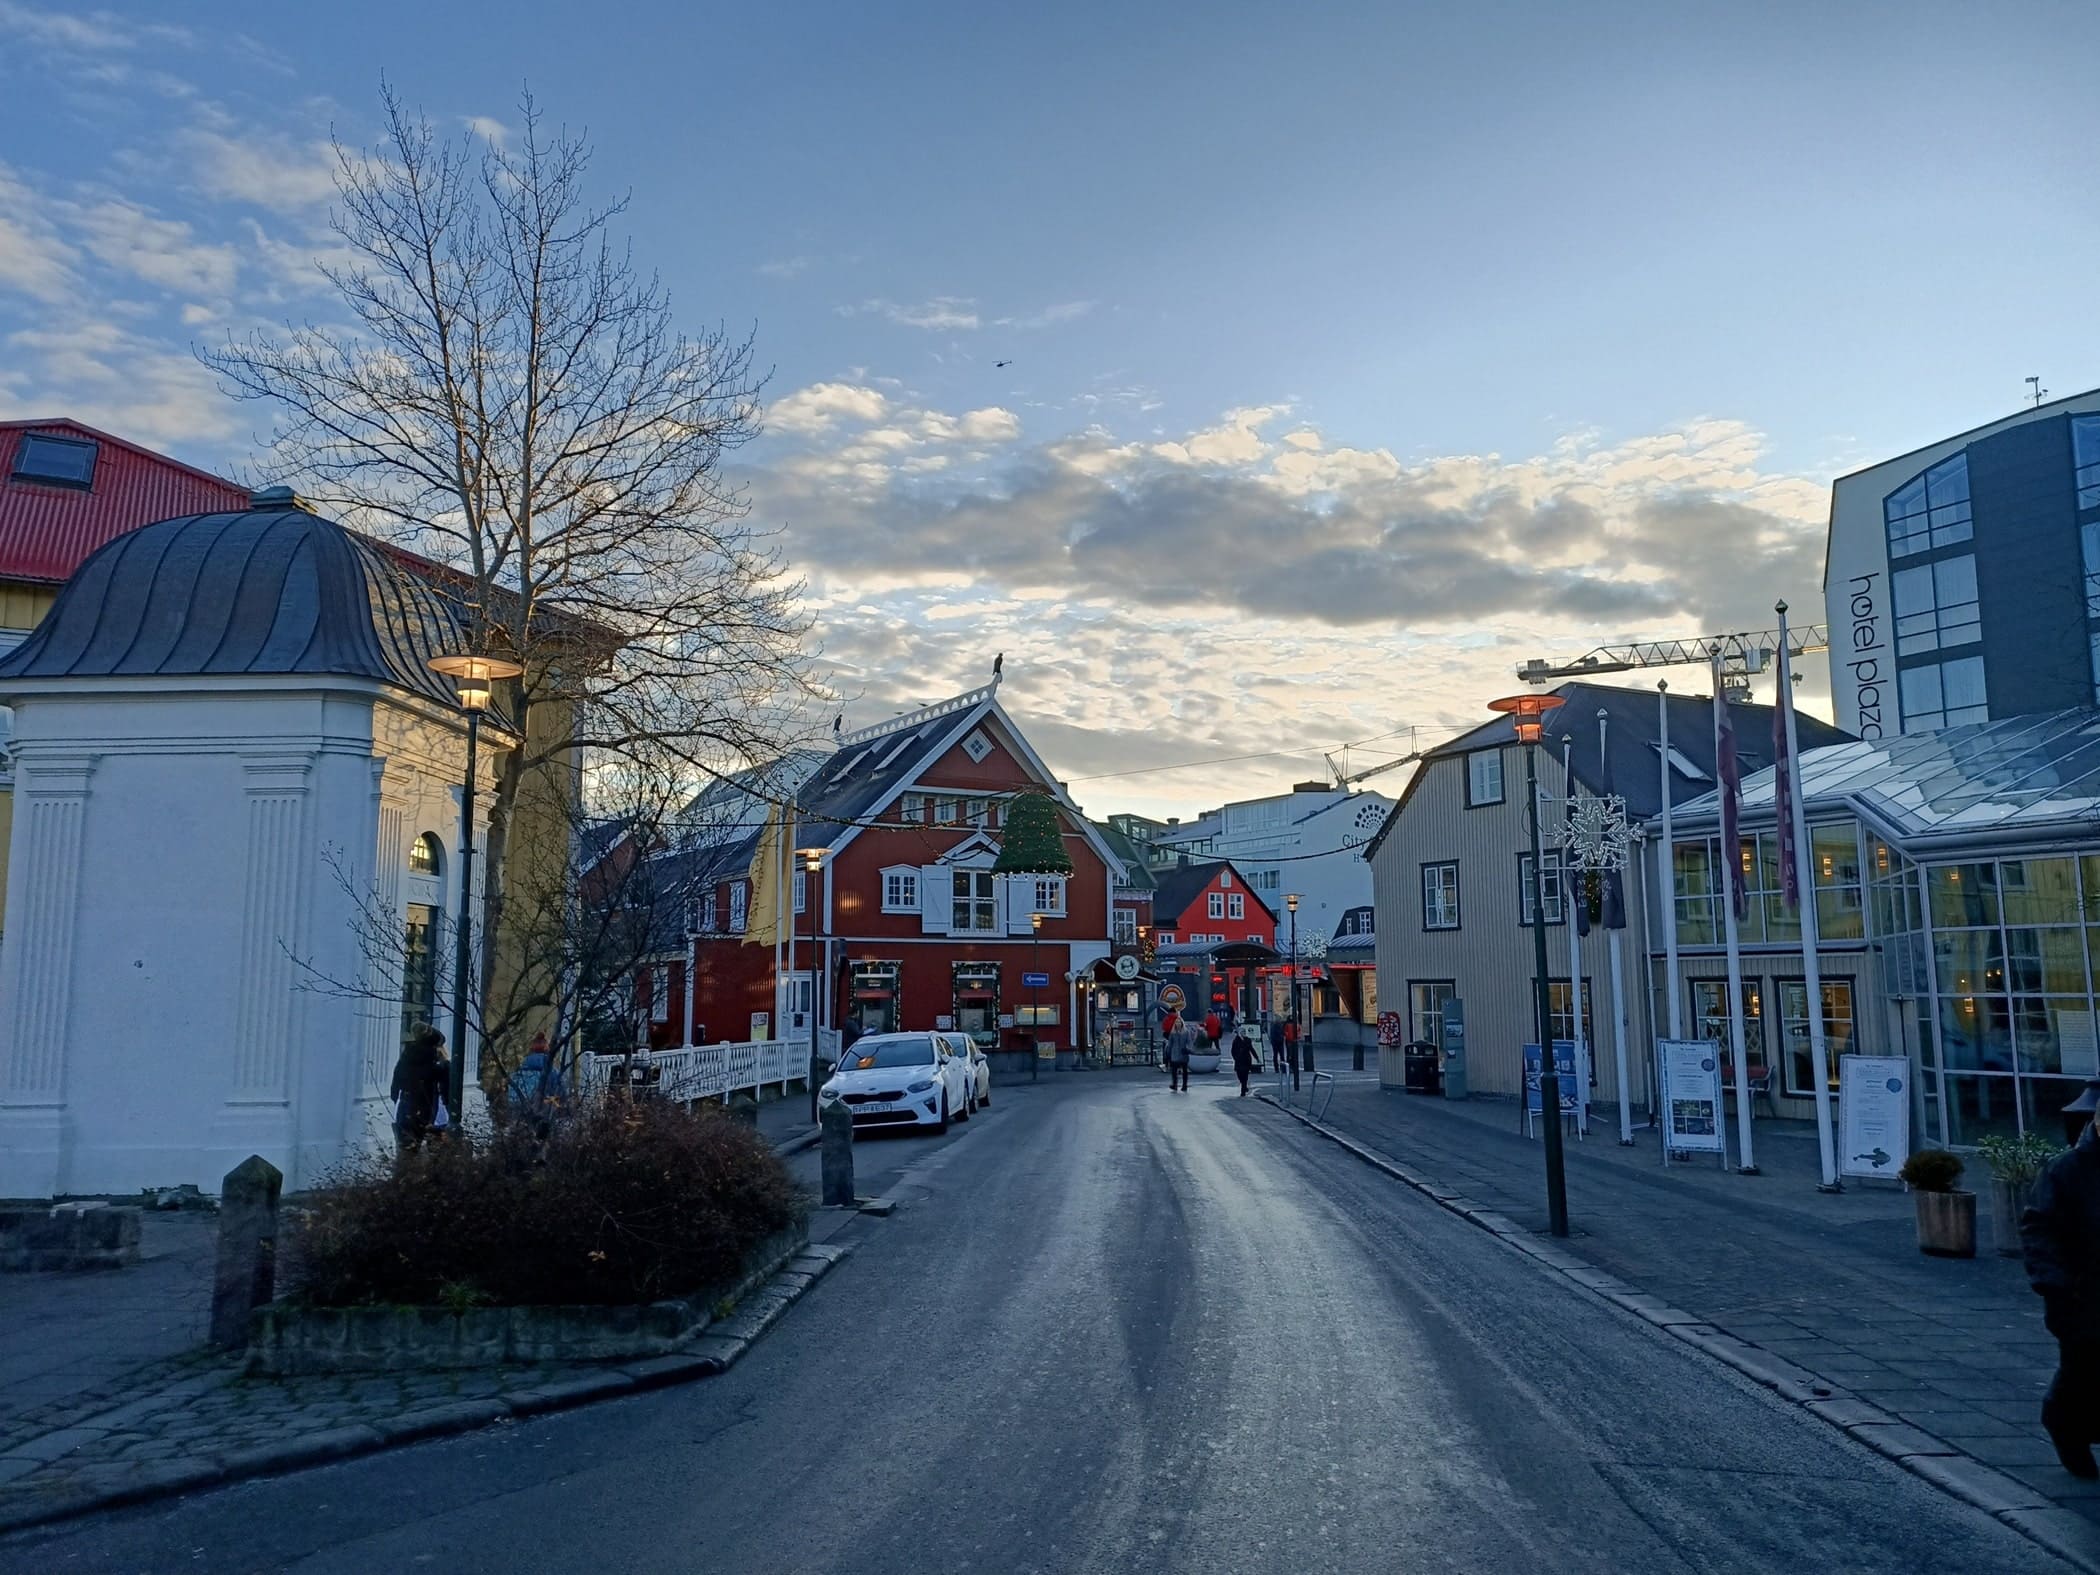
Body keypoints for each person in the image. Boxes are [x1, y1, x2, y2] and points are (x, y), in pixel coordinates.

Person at [2023, 1078, 2100, 1479]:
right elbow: (2039, 1229)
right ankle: (2064, 1425)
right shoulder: (2067, 1170)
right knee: (2084, 1371)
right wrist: (2054, 1284)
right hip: (2083, 1293)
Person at [390, 1026, 451, 1154]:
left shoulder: (406, 1059)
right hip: (431, 1115)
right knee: (438, 1158)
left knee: (406, 1155)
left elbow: (395, 1089)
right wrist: (446, 1064)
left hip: (405, 1110)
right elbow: (447, 1092)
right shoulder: (437, 1066)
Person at [506, 1031, 567, 1138]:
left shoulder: (516, 1074)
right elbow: (562, 1097)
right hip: (541, 1122)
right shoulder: (552, 1073)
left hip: (517, 1123)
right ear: (548, 1051)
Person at [1164, 1017, 1193, 1092]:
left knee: (1184, 1071)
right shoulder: (1172, 1033)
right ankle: (1174, 1084)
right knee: (1174, 1071)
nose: (1178, 1023)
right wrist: (1168, 1053)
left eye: (1179, 1022)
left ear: (1182, 1023)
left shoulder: (1186, 1032)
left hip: (1183, 1053)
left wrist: (1188, 1049)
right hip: (1175, 1053)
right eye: (1176, 1022)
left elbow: (1189, 1042)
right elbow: (1170, 1044)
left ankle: (1184, 1085)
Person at [1230, 1026, 1258, 1096]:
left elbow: (1251, 1049)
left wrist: (1256, 1057)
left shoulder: (1248, 1040)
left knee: (1245, 1076)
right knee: (1239, 1075)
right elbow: (1233, 1051)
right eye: (1242, 1032)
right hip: (1239, 1060)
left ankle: (1243, 1091)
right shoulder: (1236, 1041)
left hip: (1246, 1060)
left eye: (1244, 1032)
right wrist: (1235, 1058)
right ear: (1239, 1033)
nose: (1243, 1033)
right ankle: (1244, 1085)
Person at [1284, 1017, 1302, 1092]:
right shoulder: (1295, 1024)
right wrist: (1297, 1037)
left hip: (1290, 1040)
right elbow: (1298, 1031)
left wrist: (1289, 1037)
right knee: (1292, 1055)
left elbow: (1286, 1032)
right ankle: (1291, 1067)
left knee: (1290, 1054)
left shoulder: (1288, 1025)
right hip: (1292, 1040)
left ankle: (1290, 1067)